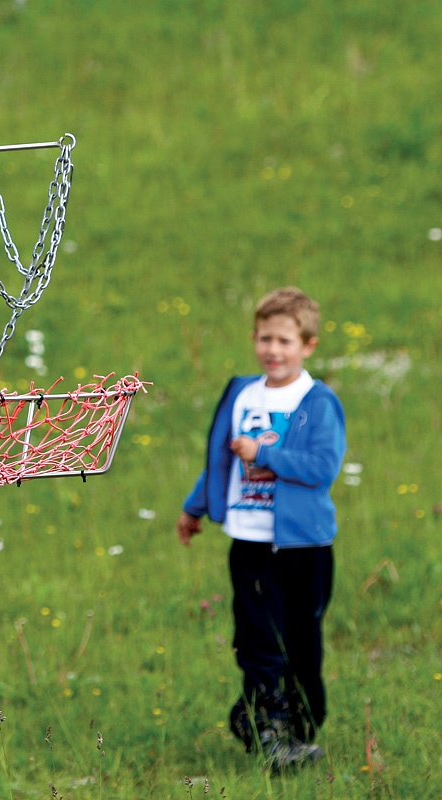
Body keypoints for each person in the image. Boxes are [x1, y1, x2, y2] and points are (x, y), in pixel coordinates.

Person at [176, 287, 345, 771]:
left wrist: (264, 453)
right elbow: (220, 463)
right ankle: (266, 726)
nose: (273, 349)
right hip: (250, 541)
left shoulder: (317, 401)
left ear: (308, 345)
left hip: (306, 546)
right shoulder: (241, 393)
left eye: (285, 341)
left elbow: (322, 467)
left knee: (302, 642)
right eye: (265, 338)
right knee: (257, 637)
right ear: (253, 338)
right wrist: (194, 508)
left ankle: (300, 725)